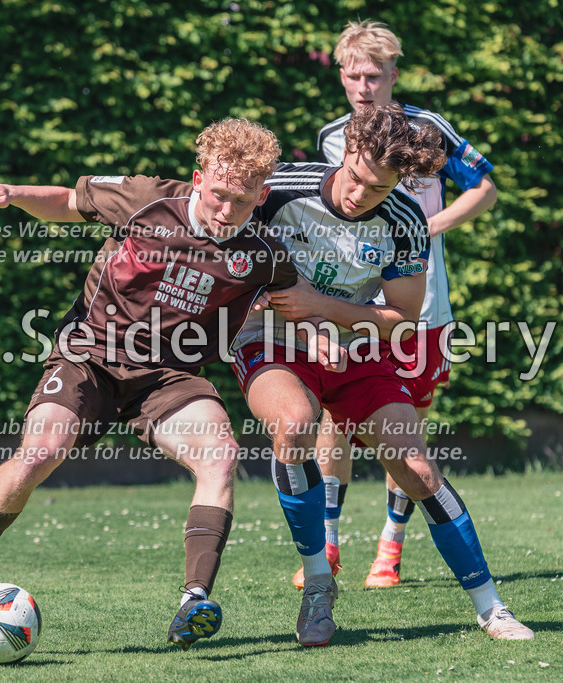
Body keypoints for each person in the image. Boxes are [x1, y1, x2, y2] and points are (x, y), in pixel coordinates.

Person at [0, 118, 344, 652]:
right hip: (90, 355)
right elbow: (69, 202)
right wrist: (12, 193)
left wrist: (319, 328)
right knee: (39, 454)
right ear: (198, 177)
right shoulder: (145, 201)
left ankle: (193, 601)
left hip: (169, 377)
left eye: (243, 200)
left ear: (263, 195)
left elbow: (294, 293)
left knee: (220, 456)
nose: (226, 211)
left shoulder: (259, 250)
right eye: (219, 194)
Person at [233, 103, 533, 642]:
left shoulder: (405, 221)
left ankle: (492, 608)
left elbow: (400, 319)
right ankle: (320, 586)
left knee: (416, 469)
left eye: (376, 189)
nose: (358, 196)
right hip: (271, 339)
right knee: (296, 422)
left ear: (400, 182)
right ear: (345, 152)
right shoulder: (276, 189)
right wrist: (301, 320)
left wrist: (321, 306)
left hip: (358, 347)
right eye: (355, 179)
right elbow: (233, 273)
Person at [292, 19, 500, 592]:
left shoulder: (428, 128)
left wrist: (423, 226)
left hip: (421, 308)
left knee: (408, 431)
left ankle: (391, 545)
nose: (363, 86)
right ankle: (328, 543)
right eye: (353, 75)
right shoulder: (330, 137)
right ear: (340, 75)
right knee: (334, 418)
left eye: (375, 75)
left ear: (394, 75)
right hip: (352, 303)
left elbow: (485, 186)